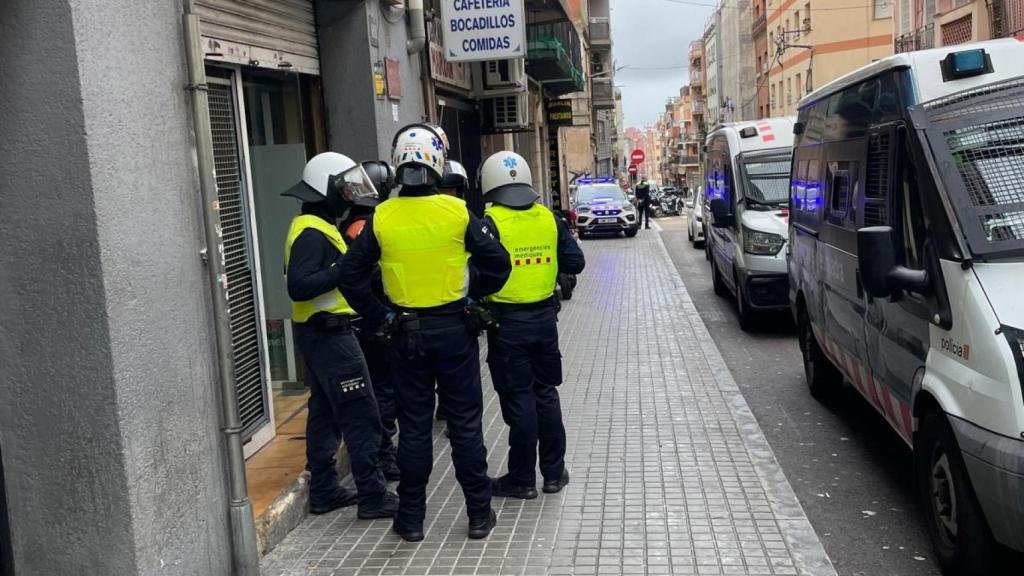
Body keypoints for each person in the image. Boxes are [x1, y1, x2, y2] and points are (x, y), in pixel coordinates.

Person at [339, 127, 511, 542]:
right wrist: (472, 293)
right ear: (437, 163)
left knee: (415, 429)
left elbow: (350, 276)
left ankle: (412, 519)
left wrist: (380, 315)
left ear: (398, 162)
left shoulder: (382, 216)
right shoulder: (456, 212)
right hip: (455, 332)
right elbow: (500, 264)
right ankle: (478, 515)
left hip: (405, 334)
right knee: (466, 425)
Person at [281, 152, 398, 518]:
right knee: (361, 412)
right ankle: (373, 495)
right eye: (342, 188)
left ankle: (324, 490)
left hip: (320, 334)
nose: (348, 195)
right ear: (324, 188)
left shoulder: (316, 227)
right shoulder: (312, 233)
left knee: (325, 414)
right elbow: (300, 286)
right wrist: (344, 267)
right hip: (329, 335)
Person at [478, 151, 585, 500]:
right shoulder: (548, 218)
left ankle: (522, 478)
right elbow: (575, 261)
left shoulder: (488, 222)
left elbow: (476, 278)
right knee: (546, 395)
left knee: (519, 401)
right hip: (544, 322)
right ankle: (554, 474)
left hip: (507, 327)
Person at [340, 160, 400, 482]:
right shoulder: (368, 225)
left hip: (361, 318)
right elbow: (372, 275)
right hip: (374, 319)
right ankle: (384, 454)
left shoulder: (351, 223)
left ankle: (382, 450)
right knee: (383, 391)